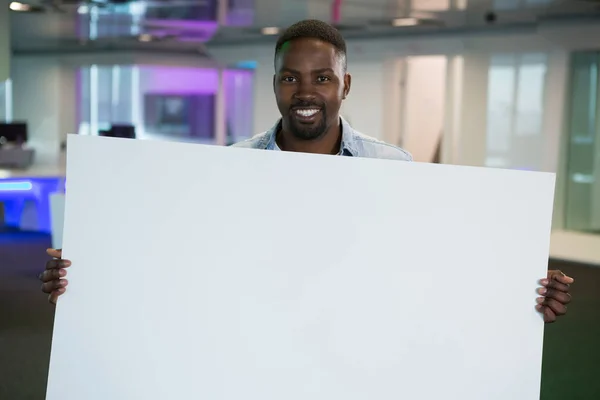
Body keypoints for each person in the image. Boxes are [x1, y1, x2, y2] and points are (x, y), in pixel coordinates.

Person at [39, 19, 573, 323]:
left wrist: (520, 289)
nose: (306, 92)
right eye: (290, 79)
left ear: (345, 85)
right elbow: (180, 259)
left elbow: (430, 266)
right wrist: (90, 275)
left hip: (351, 356)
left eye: (322, 77)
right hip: (256, 350)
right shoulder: (228, 170)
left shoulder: (394, 169)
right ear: (275, 85)